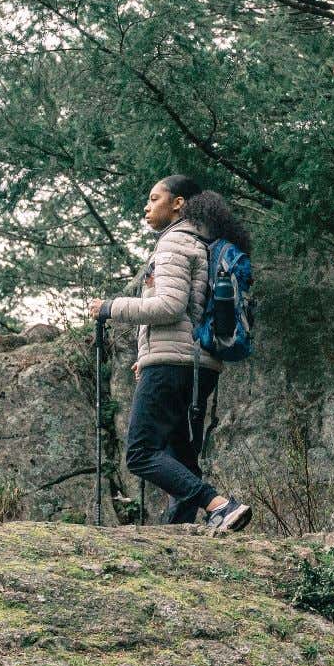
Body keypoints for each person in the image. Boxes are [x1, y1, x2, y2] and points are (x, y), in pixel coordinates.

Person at [90, 176, 253, 533]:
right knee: (181, 457)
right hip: (195, 365)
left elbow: (168, 306)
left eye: (154, 199)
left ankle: (219, 505)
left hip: (175, 364)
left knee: (141, 452)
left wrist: (109, 307)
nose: (146, 207)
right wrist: (147, 355)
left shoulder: (175, 242)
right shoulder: (201, 242)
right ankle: (178, 537)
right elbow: (189, 310)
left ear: (178, 203)